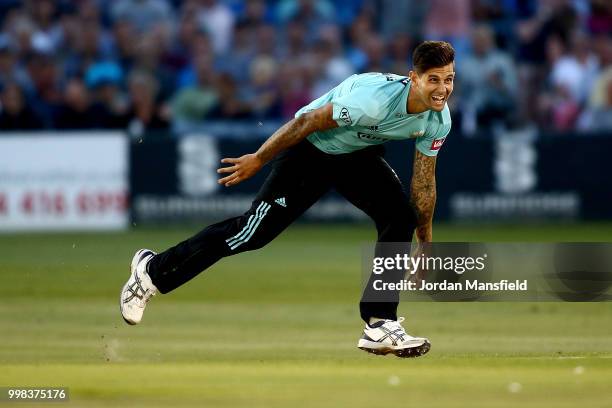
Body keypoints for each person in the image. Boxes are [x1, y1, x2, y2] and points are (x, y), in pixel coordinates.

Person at [120, 41, 455, 358]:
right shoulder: (373, 100)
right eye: (434, 80)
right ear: (414, 78)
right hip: (309, 149)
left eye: (449, 79)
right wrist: (258, 158)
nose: (442, 89)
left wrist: (424, 247)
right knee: (251, 234)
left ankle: (380, 323)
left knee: (400, 217)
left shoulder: (438, 118)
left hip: (356, 155)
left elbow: (424, 184)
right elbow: (307, 121)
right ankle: (150, 272)